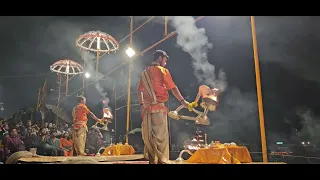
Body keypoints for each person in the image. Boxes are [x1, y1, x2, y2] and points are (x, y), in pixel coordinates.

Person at [137, 50, 189, 164]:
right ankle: (161, 161)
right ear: (160, 58)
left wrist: (141, 104)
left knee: (149, 137)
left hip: (146, 110)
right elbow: (173, 88)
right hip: (158, 109)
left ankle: (152, 161)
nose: (165, 63)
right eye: (165, 60)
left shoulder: (144, 73)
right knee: (160, 137)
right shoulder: (162, 70)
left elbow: (139, 91)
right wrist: (183, 101)